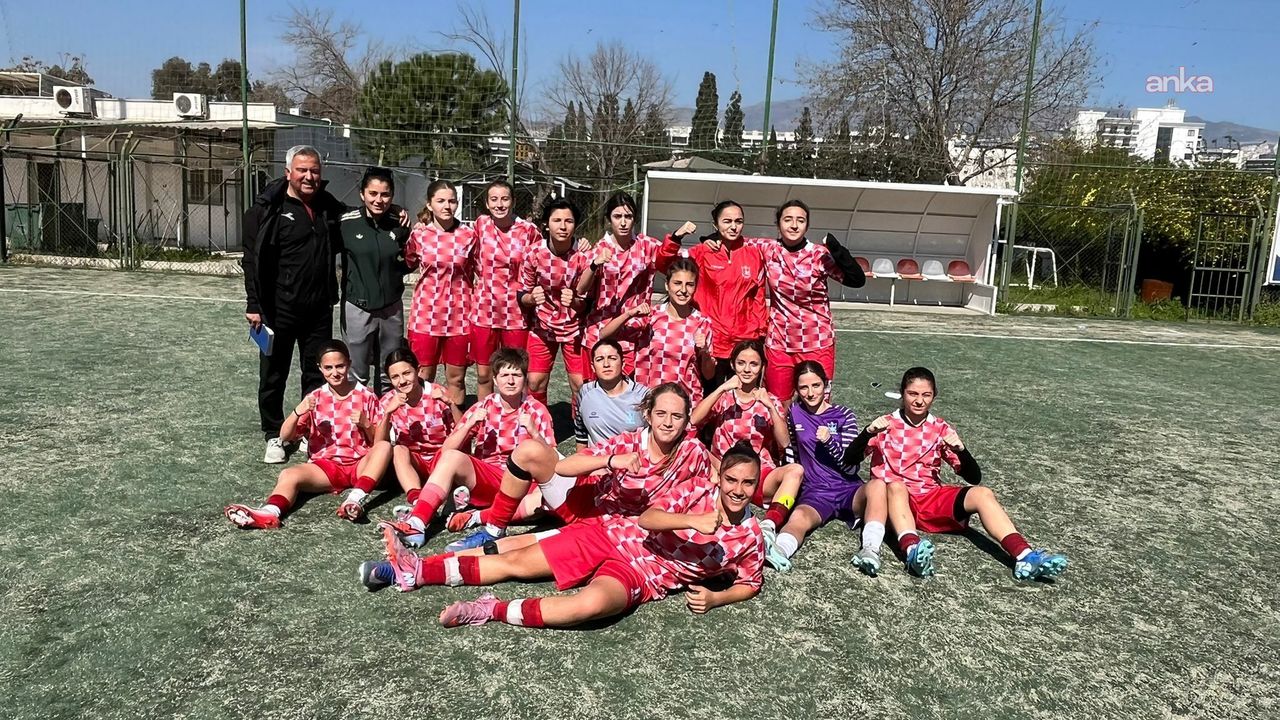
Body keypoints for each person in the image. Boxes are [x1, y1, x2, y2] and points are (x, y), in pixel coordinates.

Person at [359, 441, 765, 632]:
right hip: (613, 534)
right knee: (516, 562)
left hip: (643, 575)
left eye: (747, 483)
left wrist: (716, 598)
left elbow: (750, 583)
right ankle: (415, 571)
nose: (737, 490)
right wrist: (691, 520)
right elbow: (648, 518)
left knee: (588, 607)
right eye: (731, 479)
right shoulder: (697, 491)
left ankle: (489, 610)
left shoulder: (749, 536)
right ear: (720, 477)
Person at [843, 367, 1070, 581]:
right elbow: (850, 460)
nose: (919, 400)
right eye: (912, 394)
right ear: (902, 393)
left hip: (928, 497)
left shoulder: (940, 428)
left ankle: (1024, 555)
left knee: (982, 493)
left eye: (926, 395)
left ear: (934, 396)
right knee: (896, 485)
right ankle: (912, 550)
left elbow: (973, 477)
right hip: (895, 502)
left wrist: (962, 451)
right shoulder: (885, 425)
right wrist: (867, 432)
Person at [438, 382, 711, 556]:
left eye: (676, 416)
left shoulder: (693, 451)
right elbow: (565, 466)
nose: (668, 422)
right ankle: (491, 527)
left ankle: (473, 528)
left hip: (614, 530)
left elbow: (717, 480)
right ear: (648, 415)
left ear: (687, 420)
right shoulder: (629, 441)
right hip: (586, 502)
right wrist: (610, 460)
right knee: (529, 452)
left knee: (523, 550)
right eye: (661, 414)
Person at [380, 348, 554, 550]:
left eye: (516, 375)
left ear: (524, 379)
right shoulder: (484, 406)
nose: (510, 381)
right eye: (504, 375)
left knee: (544, 501)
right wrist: (469, 424)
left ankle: (475, 517)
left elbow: (551, 459)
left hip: (522, 482)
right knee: (452, 457)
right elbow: (447, 449)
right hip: (490, 476)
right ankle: (417, 522)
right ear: (495, 380)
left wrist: (534, 432)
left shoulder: (536, 410)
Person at [243, 145, 346, 464]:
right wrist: (254, 303)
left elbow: (359, 215)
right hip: (278, 309)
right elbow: (251, 260)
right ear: (288, 172)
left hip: (318, 309)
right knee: (273, 375)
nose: (309, 176)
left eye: (314, 170)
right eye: (302, 170)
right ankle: (274, 434)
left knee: (315, 374)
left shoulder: (327, 205)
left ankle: (307, 431)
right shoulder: (266, 209)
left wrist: (394, 211)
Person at [224, 340, 390, 528]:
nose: (335, 372)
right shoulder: (315, 398)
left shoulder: (366, 395)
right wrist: (297, 412)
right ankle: (270, 512)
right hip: (326, 467)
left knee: (384, 447)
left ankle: (355, 500)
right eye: (328, 368)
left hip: (360, 464)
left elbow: (379, 441)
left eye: (340, 366)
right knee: (289, 474)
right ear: (320, 368)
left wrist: (366, 424)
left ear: (349, 364)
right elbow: (285, 436)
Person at [767, 361, 888, 575]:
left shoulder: (844, 415)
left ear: (826, 385)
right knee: (799, 518)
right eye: (803, 387)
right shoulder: (794, 412)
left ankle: (870, 550)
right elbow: (792, 453)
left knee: (878, 486)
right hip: (815, 491)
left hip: (848, 488)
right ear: (797, 390)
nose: (810, 393)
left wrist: (830, 442)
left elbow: (851, 468)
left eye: (816, 385)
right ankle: (780, 550)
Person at [691, 339, 804, 563]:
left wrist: (770, 406)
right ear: (733, 365)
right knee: (694, 445)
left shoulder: (769, 400)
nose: (747, 369)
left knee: (796, 471)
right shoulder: (724, 397)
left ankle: (769, 525)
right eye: (741, 363)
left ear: (762, 367)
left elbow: (784, 442)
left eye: (753, 364)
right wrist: (721, 387)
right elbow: (694, 419)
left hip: (758, 475)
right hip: (724, 472)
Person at [747, 200, 866, 401]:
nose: (794, 225)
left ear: (807, 225)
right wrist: (712, 239)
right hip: (780, 343)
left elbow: (857, 280)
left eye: (800, 220)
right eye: (788, 219)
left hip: (816, 342)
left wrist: (837, 250)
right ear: (778, 224)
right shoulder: (768, 249)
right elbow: (735, 240)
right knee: (776, 404)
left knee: (817, 405)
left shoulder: (819, 255)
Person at [656, 201, 768, 388]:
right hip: (711, 342)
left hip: (744, 342)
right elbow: (664, 265)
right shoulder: (703, 252)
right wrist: (676, 237)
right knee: (710, 396)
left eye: (738, 221)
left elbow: (758, 297)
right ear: (716, 224)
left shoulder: (753, 254)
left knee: (742, 398)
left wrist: (760, 334)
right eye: (727, 221)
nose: (733, 226)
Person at [599, 257, 715, 405]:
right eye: (677, 283)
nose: (683, 290)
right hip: (650, 402)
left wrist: (705, 352)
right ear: (667, 285)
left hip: (684, 405)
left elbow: (709, 375)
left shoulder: (702, 322)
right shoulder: (651, 316)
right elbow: (604, 335)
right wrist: (629, 314)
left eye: (689, 284)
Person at [404, 180, 475, 410]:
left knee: (456, 378)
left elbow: (477, 269)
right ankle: (424, 421)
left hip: (459, 316)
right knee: (423, 376)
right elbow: (408, 261)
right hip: (426, 316)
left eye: (452, 201)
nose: (447, 206)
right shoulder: (419, 235)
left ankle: (454, 423)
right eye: (441, 201)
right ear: (429, 204)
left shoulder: (469, 235)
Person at [339, 166, 410, 394]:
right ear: (362, 194)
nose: (379, 200)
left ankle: (387, 414)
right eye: (373, 193)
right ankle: (360, 415)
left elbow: (408, 260)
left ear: (392, 196)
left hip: (391, 308)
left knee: (391, 373)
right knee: (357, 374)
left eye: (385, 194)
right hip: (358, 307)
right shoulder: (345, 223)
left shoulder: (400, 223)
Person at [579, 191, 662, 378]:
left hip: (634, 332)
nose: (623, 222)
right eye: (617, 216)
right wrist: (594, 265)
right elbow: (581, 289)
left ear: (635, 219)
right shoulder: (599, 249)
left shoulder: (647, 246)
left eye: (628, 216)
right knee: (593, 389)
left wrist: (688, 239)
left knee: (631, 391)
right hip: (601, 331)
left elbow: (673, 256)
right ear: (609, 219)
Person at [472, 181, 542, 399]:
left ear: (513, 201)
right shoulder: (480, 224)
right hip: (484, 311)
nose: (499, 204)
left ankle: (516, 417)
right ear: (487, 203)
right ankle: (486, 416)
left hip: (515, 313)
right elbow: (455, 235)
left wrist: (579, 244)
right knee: (484, 374)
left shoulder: (528, 230)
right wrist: (423, 224)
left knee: (516, 374)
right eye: (494, 199)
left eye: (505, 199)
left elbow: (547, 253)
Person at [520, 197, 593, 407]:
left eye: (568, 221)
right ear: (546, 224)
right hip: (542, 327)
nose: (563, 226)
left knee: (580, 384)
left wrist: (575, 302)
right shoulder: (533, 253)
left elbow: (588, 303)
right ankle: (539, 421)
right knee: (535, 382)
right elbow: (522, 295)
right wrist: (531, 298)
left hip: (576, 328)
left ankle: (580, 424)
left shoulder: (584, 255)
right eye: (557, 220)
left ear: (575, 225)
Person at [375, 348, 455, 512]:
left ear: (418, 371)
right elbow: (379, 445)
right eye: (395, 377)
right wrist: (388, 413)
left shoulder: (437, 393)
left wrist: (451, 404)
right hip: (414, 462)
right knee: (398, 449)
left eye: (407, 373)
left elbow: (463, 430)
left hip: (441, 457)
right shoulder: (389, 400)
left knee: (452, 452)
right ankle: (416, 499)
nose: (402, 381)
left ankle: (450, 497)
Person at [573, 338, 650, 451]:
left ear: (623, 363)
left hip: (632, 458)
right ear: (593, 367)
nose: (606, 364)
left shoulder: (643, 396)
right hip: (597, 459)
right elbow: (581, 434)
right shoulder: (585, 392)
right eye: (600, 359)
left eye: (612, 358)